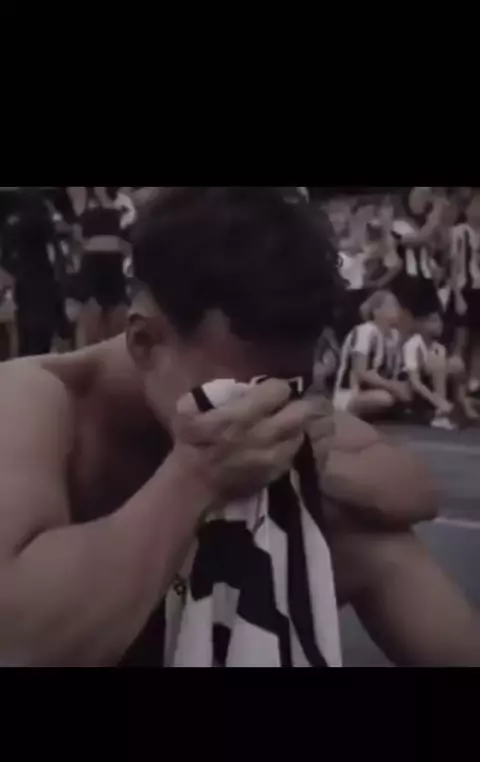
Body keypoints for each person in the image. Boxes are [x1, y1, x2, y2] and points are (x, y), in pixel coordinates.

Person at [1, 187, 480, 667]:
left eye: (283, 387)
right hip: (88, 636)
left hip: (188, 617)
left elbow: (416, 495)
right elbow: (18, 636)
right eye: (238, 394)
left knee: (374, 543)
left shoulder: (261, 381)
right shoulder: (33, 399)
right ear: (145, 341)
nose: (258, 410)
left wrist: (310, 458)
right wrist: (194, 475)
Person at [0, 190, 63, 357]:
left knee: (29, 331)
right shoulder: (40, 220)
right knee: (38, 331)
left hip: (27, 279)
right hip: (38, 278)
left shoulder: (16, 224)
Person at [399, 301, 477, 428]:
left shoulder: (439, 348)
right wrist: (439, 402)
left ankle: (463, 404)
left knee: (456, 365)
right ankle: (440, 413)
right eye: (434, 321)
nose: (439, 325)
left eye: (440, 321)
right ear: (422, 324)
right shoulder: (413, 345)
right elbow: (415, 382)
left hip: (430, 382)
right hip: (411, 382)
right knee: (437, 363)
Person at [68, 186, 130, 348]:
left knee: (118, 329)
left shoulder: (118, 195)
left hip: (114, 264)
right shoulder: (81, 194)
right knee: (92, 329)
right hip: (93, 265)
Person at [333, 289, 407, 418]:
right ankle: (349, 411)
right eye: (391, 305)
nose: (397, 309)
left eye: (397, 305)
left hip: (379, 389)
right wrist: (393, 386)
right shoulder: (366, 331)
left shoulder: (395, 336)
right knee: (385, 398)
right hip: (351, 392)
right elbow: (360, 371)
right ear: (376, 311)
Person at [449, 192, 480, 396]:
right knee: (461, 340)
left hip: (478, 289)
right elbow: (453, 266)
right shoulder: (459, 232)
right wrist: (458, 295)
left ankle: (474, 382)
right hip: (463, 290)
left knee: (478, 339)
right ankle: (457, 389)